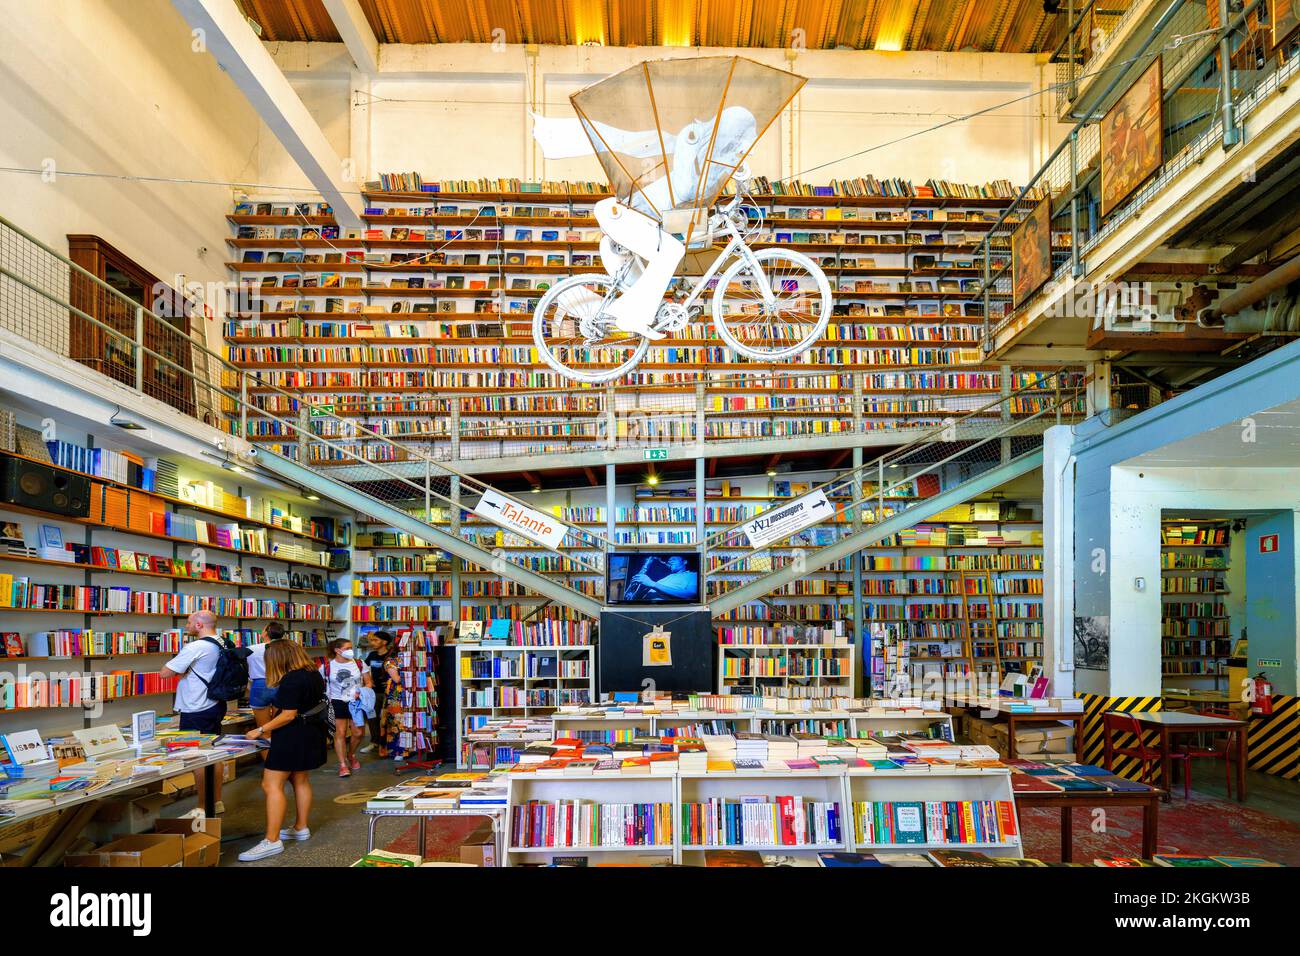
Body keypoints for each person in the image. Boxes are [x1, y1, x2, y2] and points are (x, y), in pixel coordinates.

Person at [236, 640, 328, 862]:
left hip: (291, 735)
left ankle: (272, 839)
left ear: (278, 659)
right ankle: (300, 827)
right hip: (311, 733)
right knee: (300, 780)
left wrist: (259, 730)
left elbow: (287, 714)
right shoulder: (312, 673)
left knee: (271, 784)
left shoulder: (291, 680)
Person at [162, 610, 228, 813]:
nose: (186, 626)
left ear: (199, 625)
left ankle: (202, 807)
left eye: (189, 622)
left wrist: (184, 668)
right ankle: (216, 801)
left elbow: (166, 673)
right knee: (213, 754)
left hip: (196, 707)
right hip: (215, 703)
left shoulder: (195, 646)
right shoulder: (222, 642)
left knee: (197, 757)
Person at [320, 637, 364, 776]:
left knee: (358, 732)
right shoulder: (327, 666)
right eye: (347, 648)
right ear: (337, 650)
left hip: (356, 701)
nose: (351, 651)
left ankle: (351, 754)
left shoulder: (359, 663)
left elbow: (369, 682)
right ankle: (343, 764)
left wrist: (360, 692)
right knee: (340, 733)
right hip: (337, 701)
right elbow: (321, 684)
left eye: (351, 648)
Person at [246, 621, 287, 736]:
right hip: (281, 683)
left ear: (266, 633)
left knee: (263, 729)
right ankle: (281, 753)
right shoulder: (286, 649)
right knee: (280, 727)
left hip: (259, 685)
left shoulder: (251, 649)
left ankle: (268, 754)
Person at [360, 631, 395, 756]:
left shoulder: (392, 655)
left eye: (375, 640)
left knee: (388, 718)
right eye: (372, 640)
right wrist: (368, 680)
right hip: (374, 693)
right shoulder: (372, 655)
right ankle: (374, 742)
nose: (372, 642)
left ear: (384, 642)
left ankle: (387, 744)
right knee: (372, 717)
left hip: (388, 693)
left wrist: (390, 682)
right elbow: (363, 668)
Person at [631, 554, 698, 601]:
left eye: (673, 559)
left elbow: (691, 595)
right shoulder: (667, 576)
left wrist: (653, 584)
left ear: (684, 562)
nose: (669, 561)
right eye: (669, 560)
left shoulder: (692, 575)